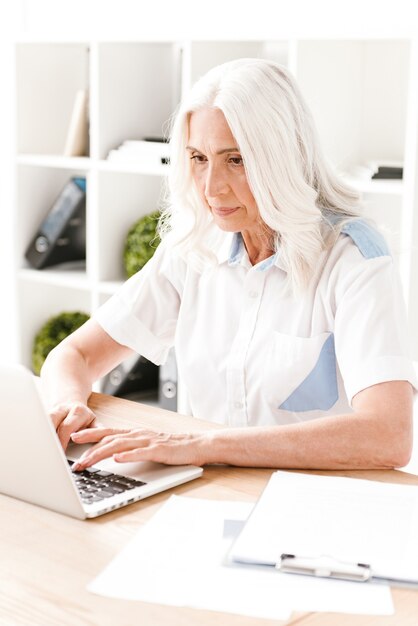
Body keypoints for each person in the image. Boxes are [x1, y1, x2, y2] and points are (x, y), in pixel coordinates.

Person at [41, 58, 417, 472]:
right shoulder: (195, 248)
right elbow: (74, 354)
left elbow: (389, 436)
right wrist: (67, 404)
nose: (210, 187)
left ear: (283, 156)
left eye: (235, 159)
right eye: (199, 158)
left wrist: (203, 445)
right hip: (208, 493)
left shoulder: (353, 259)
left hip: (313, 508)